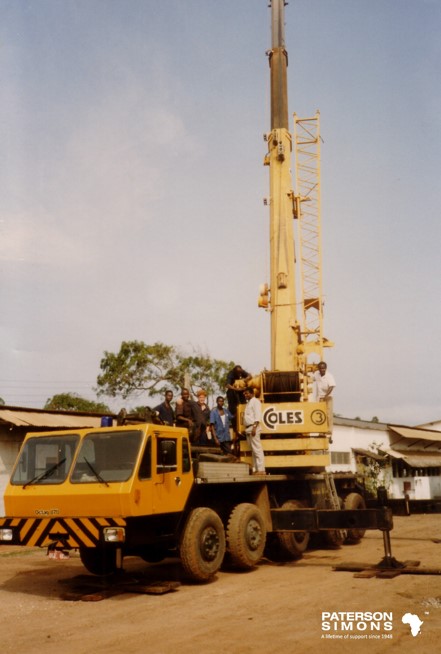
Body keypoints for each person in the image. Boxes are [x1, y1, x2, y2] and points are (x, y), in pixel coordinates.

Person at [242, 387, 265, 475]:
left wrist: (254, 427)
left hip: (253, 427)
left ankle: (261, 469)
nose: (245, 395)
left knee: (257, 449)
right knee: (253, 450)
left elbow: (257, 415)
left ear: (252, 393)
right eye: (244, 394)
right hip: (248, 428)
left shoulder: (255, 401)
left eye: (247, 393)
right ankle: (256, 469)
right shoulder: (248, 403)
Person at [312, 361, 335, 434]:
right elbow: (311, 377)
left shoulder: (329, 376)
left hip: (328, 397)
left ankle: (329, 430)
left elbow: (331, 386)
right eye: (321, 368)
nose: (323, 370)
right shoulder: (316, 374)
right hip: (320, 397)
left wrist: (326, 396)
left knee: (328, 414)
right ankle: (321, 430)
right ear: (318, 369)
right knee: (320, 414)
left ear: (326, 368)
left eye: (324, 368)